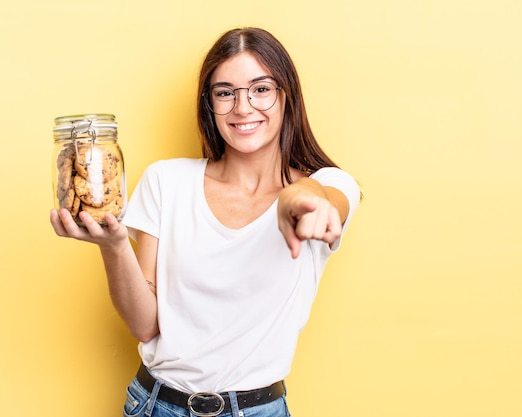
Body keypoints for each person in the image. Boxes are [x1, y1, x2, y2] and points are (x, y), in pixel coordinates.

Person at [51, 27, 361, 417]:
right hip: (156, 404)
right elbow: (145, 326)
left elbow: (319, 198)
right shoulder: (167, 181)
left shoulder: (326, 186)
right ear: (209, 104)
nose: (243, 107)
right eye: (225, 92)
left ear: (288, 97)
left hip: (258, 409)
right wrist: (113, 247)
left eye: (261, 89)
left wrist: (293, 201)